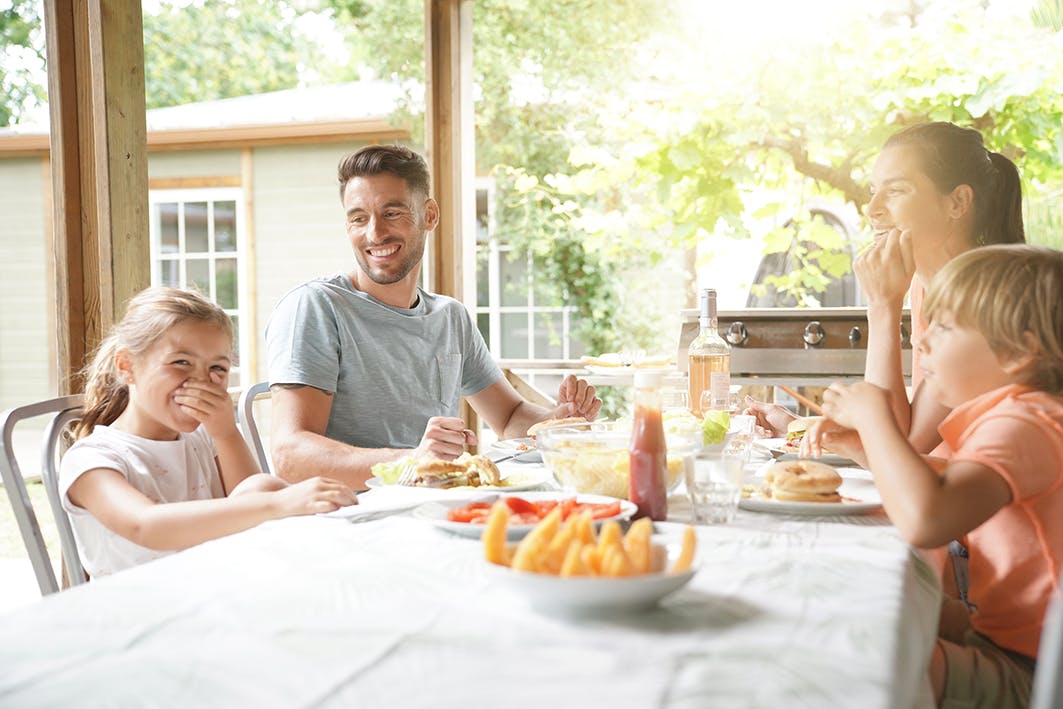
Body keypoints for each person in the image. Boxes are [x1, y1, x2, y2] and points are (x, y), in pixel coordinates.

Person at [806, 245, 1063, 707]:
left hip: (1031, 671)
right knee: (873, 602)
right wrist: (869, 450)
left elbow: (929, 517)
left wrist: (875, 417)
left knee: (858, 653)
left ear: (1021, 351)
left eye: (943, 327)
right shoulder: (1032, 417)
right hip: (1012, 636)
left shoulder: (1023, 424)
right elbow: (953, 482)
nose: (921, 341)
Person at [265, 144, 602, 488]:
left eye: (391, 213)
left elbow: (511, 416)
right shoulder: (316, 307)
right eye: (358, 218)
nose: (374, 233)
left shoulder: (450, 318)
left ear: (429, 215)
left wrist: (558, 423)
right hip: (351, 518)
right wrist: (413, 460)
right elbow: (290, 456)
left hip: (438, 508)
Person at [746, 121, 1025, 462]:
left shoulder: (986, 299)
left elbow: (899, 442)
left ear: (958, 202)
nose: (872, 208)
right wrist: (796, 428)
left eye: (895, 191)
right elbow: (898, 433)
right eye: (873, 190)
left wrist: (882, 306)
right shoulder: (928, 286)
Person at [60, 287, 357, 578]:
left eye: (217, 368)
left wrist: (225, 432)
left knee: (261, 487)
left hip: (213, 588)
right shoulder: (91, 459)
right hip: (141, 608)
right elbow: (145, 525)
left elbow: (251, 502)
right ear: (127, 366)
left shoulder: (203, 437)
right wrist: (281, 503)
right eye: (181, 362)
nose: (202, 381)